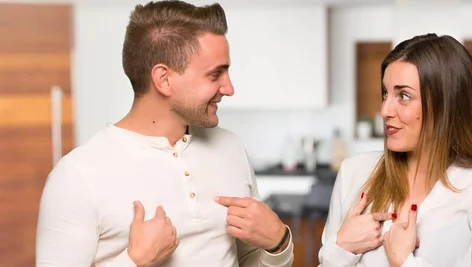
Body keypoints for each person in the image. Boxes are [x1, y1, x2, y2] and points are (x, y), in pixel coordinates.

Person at [35, 1, 293, 266]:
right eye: (215, 74)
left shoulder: (231, 147)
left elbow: (250, 259)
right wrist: (134, 261)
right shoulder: (77, 176)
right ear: (164, 79)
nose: (228, 88)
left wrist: (278, 244)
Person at [318, 33, 472, 266]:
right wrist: (341, 249)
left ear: (447, 105)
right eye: (386, 93)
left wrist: (404, 261)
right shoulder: (353, 172)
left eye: (403, 96)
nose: (384, 110)